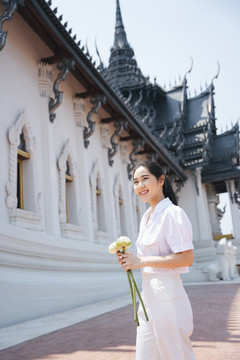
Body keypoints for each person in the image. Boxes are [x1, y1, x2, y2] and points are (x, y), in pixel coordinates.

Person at [117, 161, 195, 360]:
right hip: (147, 296)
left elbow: (186, 258)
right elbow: (144, 259)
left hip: (168, 294)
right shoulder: (146, 218)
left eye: (145, 179)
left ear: (161, 180)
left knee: (176, 355)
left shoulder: (172, 213)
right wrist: (129, 260)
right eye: (135, 182)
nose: (140, 186)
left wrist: (142, 261)